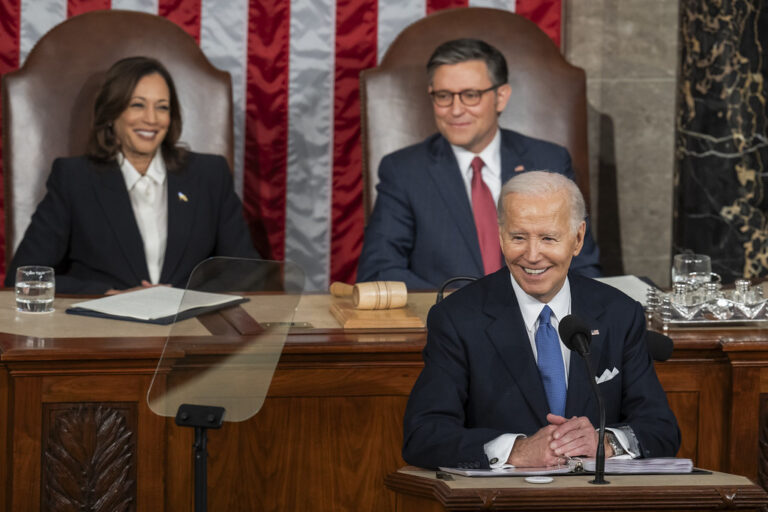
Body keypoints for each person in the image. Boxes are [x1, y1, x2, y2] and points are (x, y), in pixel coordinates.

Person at [402, 171, 679, 470]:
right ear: (500, 236)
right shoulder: (457, 318)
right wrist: (515, 450)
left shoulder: (618, 313)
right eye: (518, 237)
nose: (532, 256)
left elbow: (661, 430)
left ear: (577, 238)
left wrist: (606, 442)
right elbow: (423, 435)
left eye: (548, 238)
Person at [357, 38, 601, 290]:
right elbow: (378, 272)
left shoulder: (548, 161)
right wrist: (469, 309)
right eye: (443, 96)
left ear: (501, 97)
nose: (455, 110)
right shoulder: (404, 170)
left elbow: (582, 265)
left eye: (470, 95)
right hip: (445, 323)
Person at [4, 57, 258, 294]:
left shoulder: (209, 175)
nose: (151, 119)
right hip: (105, 334)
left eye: (162, 107)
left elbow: (247, 271)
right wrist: (108, 295)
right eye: (137, 105)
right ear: (112, 114)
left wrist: (183, 298)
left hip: (189, 332)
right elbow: (24, 278)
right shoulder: (74, 179)